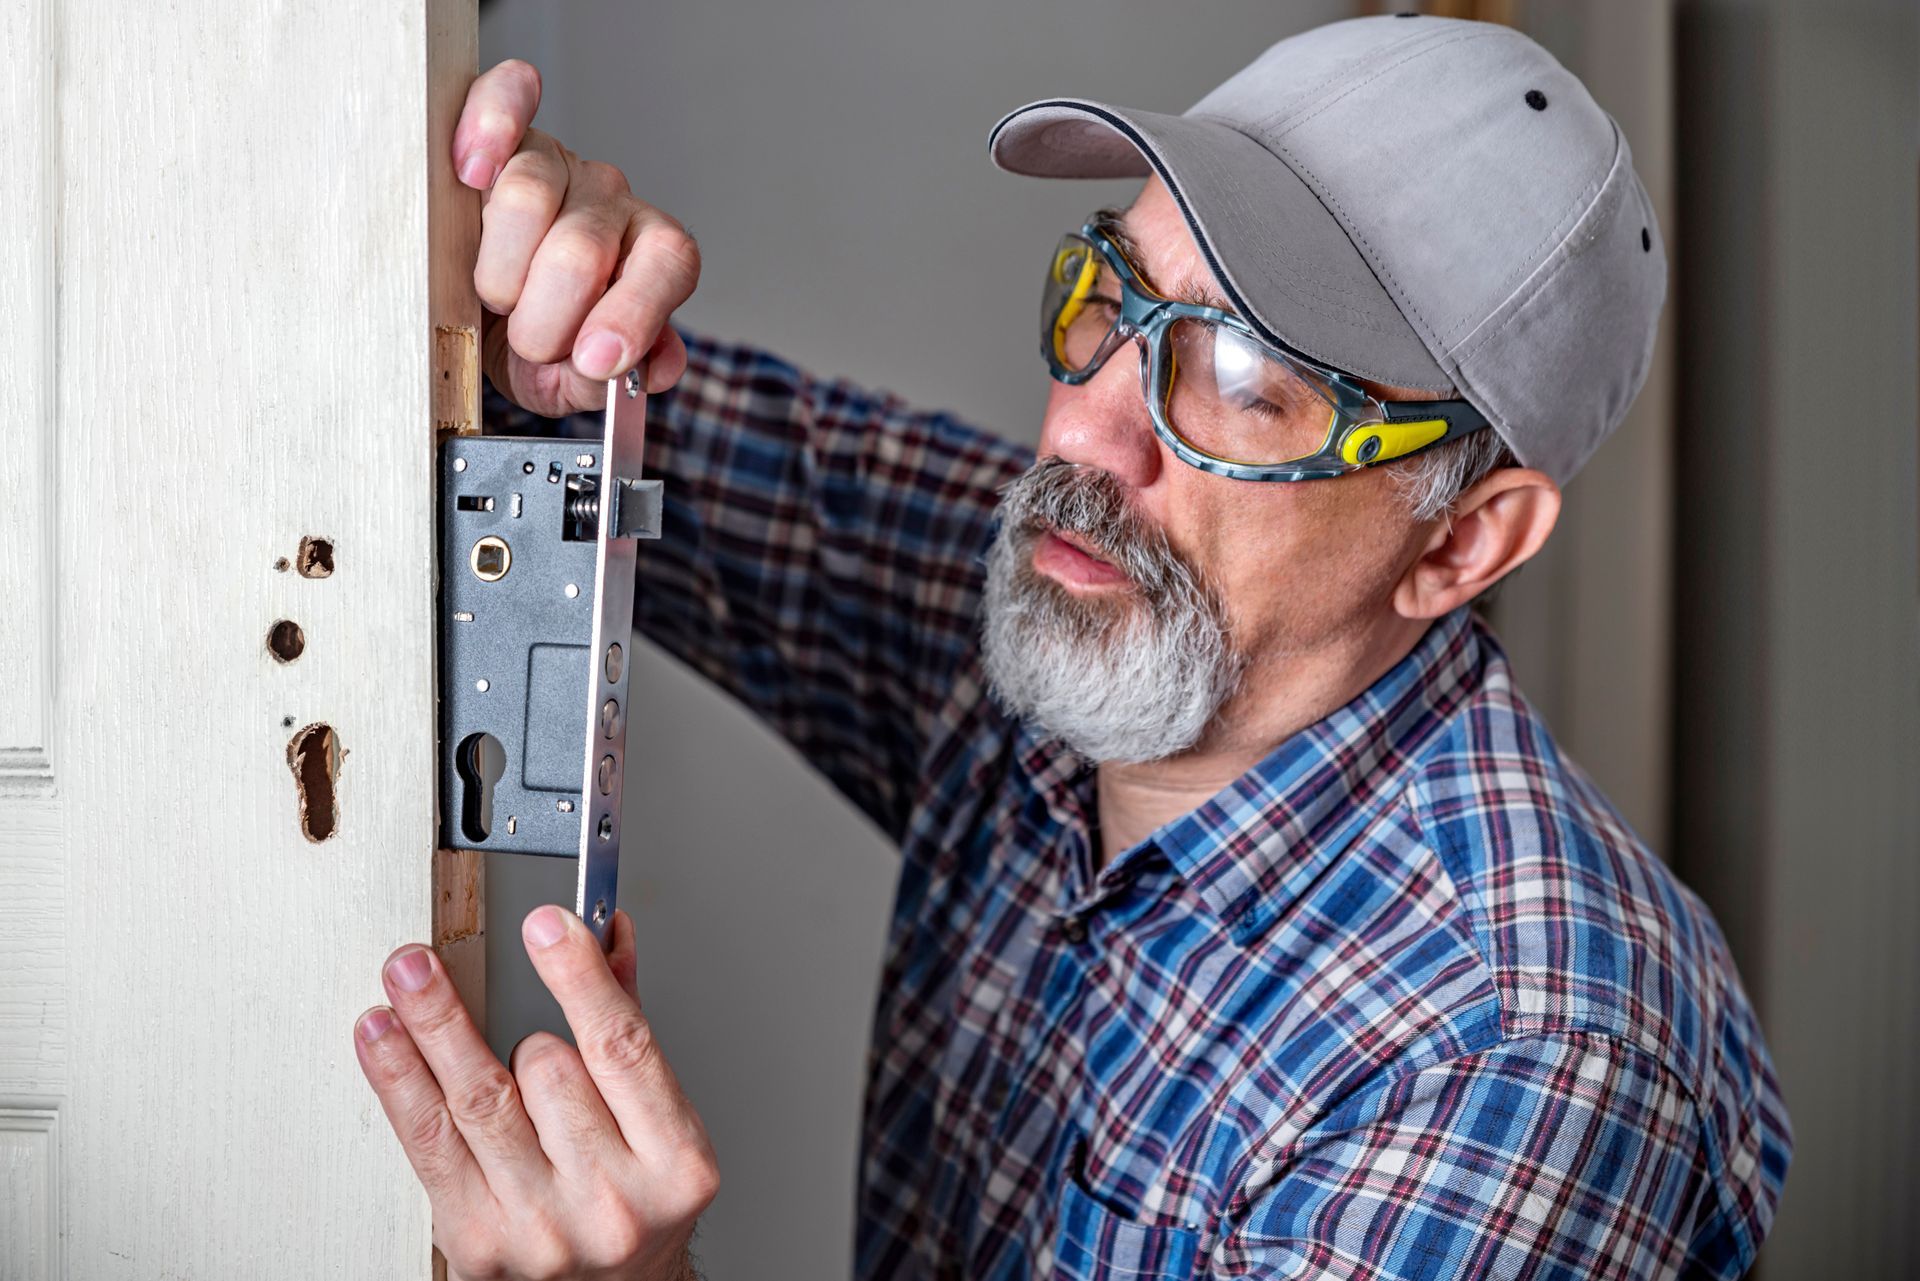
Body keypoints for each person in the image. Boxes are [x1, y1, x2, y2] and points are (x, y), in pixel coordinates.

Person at [351, 15, 1791, 1280]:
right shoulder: (1101, 597)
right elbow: (627, 421)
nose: (1090, 435)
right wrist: (545, 311)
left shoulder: (1515, 1060)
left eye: (1244, 379)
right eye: (1111, 297)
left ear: (1460, 543)